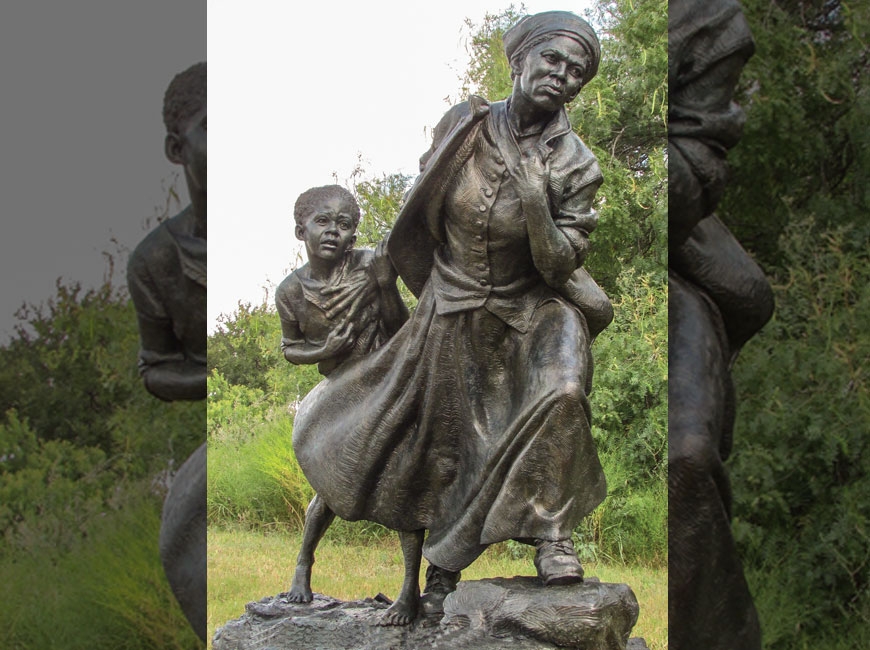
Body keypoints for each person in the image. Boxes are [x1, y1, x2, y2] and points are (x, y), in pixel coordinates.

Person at [291, 10, 613, 614]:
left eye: (577, 72)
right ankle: (443, 568)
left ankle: (552, 534)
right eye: (553, 60)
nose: (563, 76)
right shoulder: (463, 127)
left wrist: (536, 198)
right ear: (520, 61)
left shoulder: (577, 163)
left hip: (537, 303)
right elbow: (424, 207)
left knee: (565, 391)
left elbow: (560, 262)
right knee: (446, 445)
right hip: (455, 304)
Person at [669, 1, 773, 648]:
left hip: (671, 259)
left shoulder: (705, 19)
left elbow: (700, 162)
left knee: (685, 453)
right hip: (534, 272)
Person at [275, 184, 414, 623]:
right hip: (340, 392)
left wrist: (385, 286)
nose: (333, 232)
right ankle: (303, 564)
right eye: (323, 222)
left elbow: (401, 330)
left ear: (354, 235)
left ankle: (410, 588)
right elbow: (290, 348)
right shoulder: (290, 292)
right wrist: (323, 349)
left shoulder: (370, 264)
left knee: (407, 477)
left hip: (388, 381)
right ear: (301, 231)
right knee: (331, 485)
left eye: (344, 224)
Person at [127, 61, 207, 642]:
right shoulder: (154, 260)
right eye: (212, 129)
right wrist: (214, 379)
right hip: (219, 429)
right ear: (176, 148)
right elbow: (156, 370)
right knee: (186, 526)